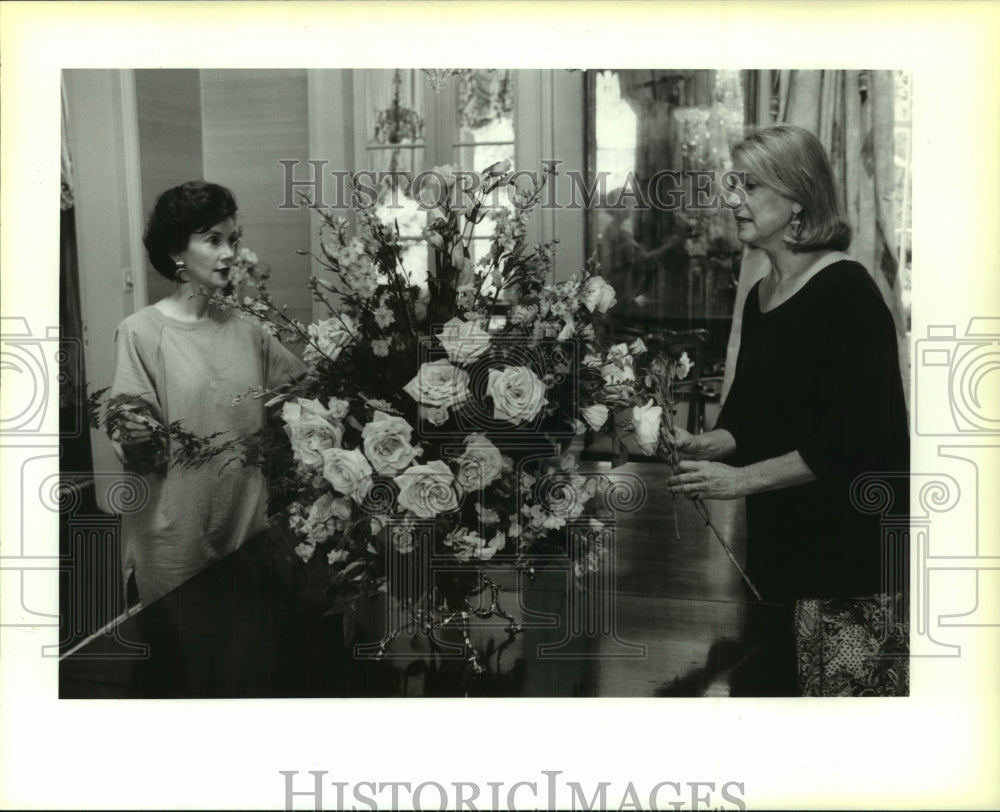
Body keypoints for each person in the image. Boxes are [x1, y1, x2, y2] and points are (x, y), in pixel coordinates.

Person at [666, 125, 909, 696]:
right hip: (779, 550)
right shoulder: (761, 294)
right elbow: (749, 420)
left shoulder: (847, 291)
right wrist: (709, 445)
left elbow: (862, 440)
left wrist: (742, 479)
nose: (734, 200)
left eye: (749, 186)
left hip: (846, 558)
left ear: (797, 197)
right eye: (734, 184)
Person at [108, 180, 305, 610]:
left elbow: (305, 395)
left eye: (232, 239)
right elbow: (131, 437)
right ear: (177, 251)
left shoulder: (248, 327)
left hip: (245, 538)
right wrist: (132, 432)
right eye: (212, 240)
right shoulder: (140, 333)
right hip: (175, 546)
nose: (229, 253)